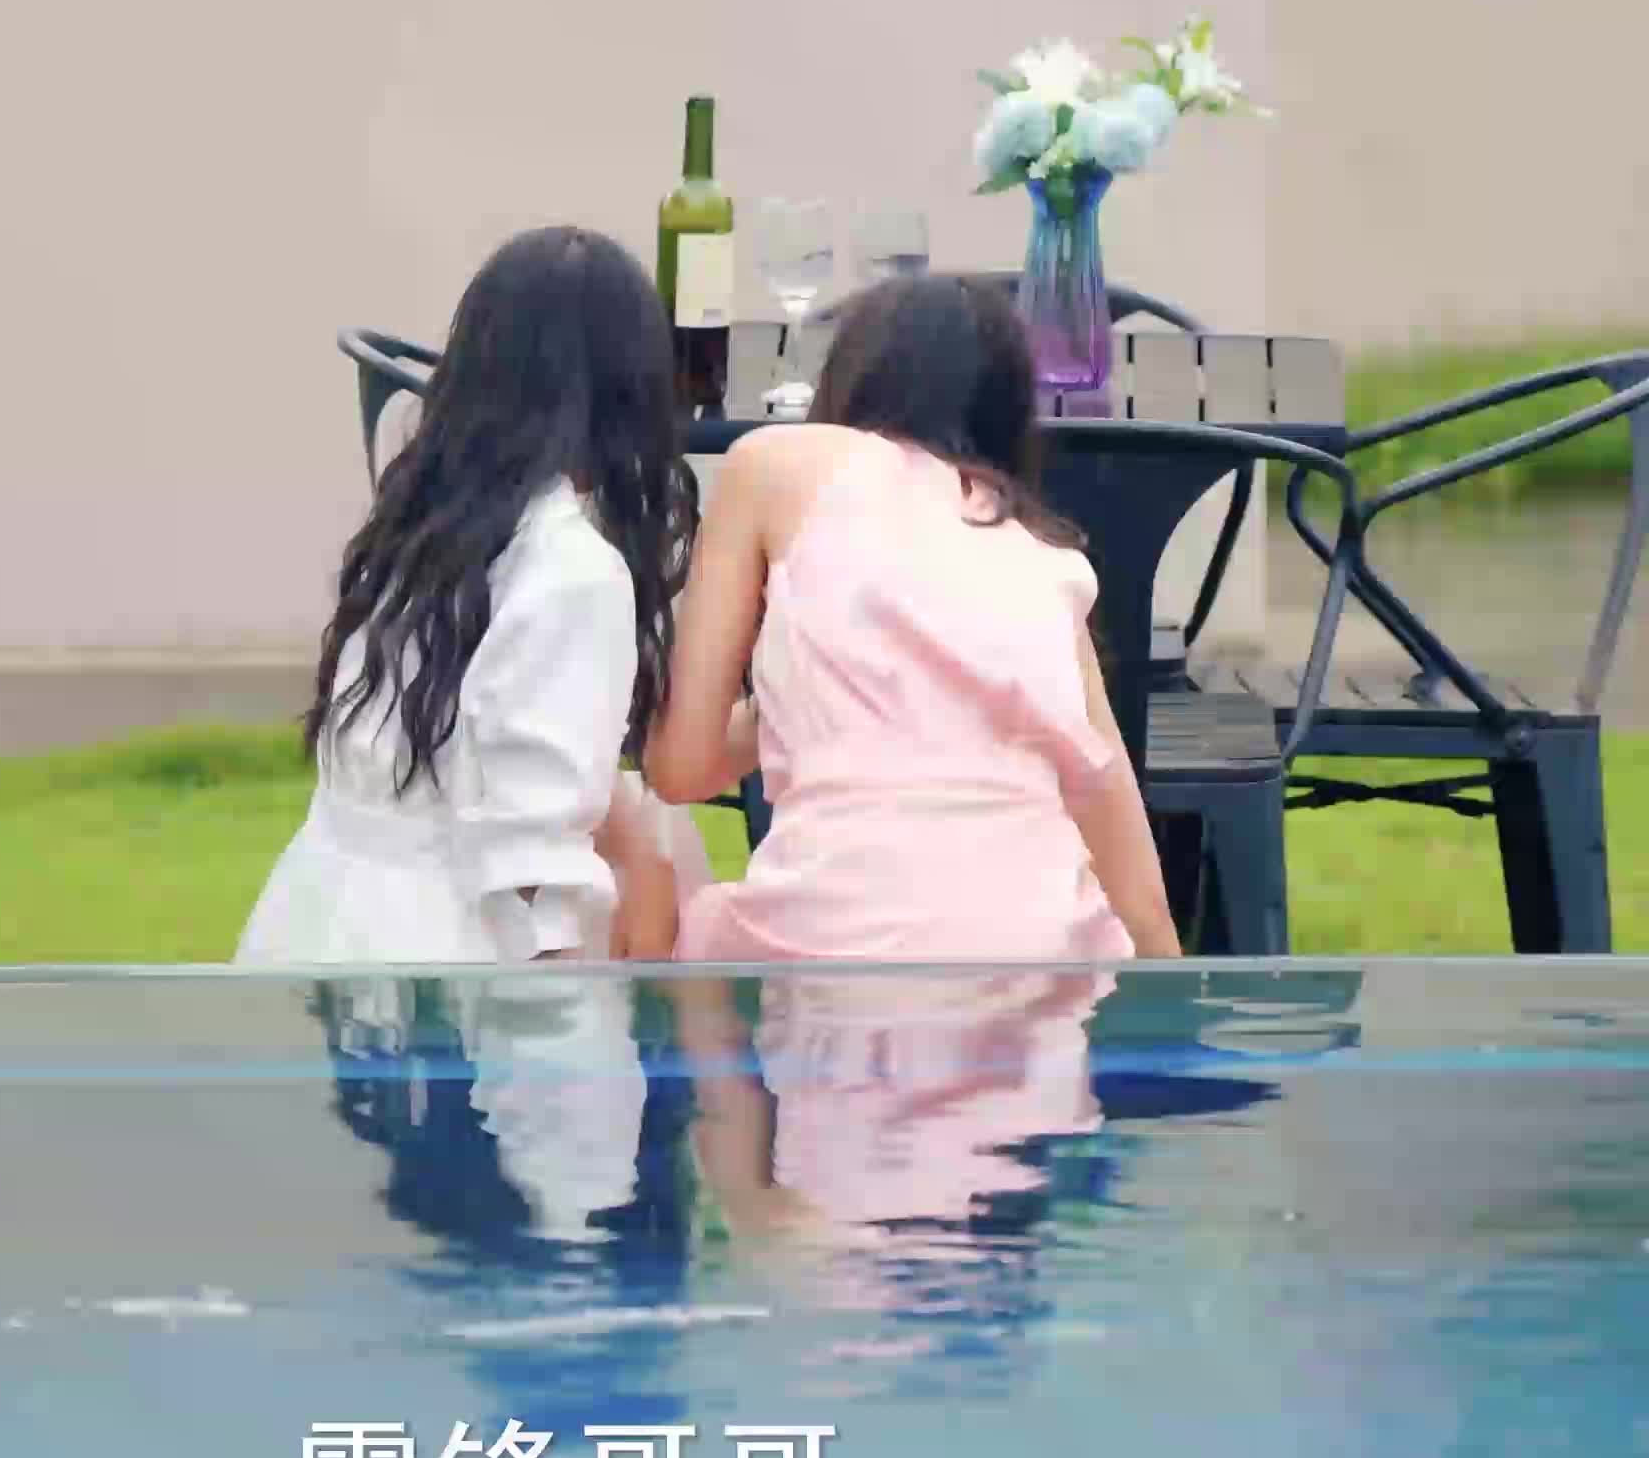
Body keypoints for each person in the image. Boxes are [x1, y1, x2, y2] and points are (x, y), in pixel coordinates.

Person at [642, 273, 1181, 967]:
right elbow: (1139, 892)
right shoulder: (1049, 570)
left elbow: (678, 768)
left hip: (828, 956)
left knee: (641, 849)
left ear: (849, 379)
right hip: (1033, 965)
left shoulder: (774, 463)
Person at [239, 226, 710, 972]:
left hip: (315, 924)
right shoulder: (574, 570)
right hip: (448, 974)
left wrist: (640, 856)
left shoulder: (424, 526)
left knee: (665, 839)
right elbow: (532, 866)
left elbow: (498, 747)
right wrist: (571, 1034)